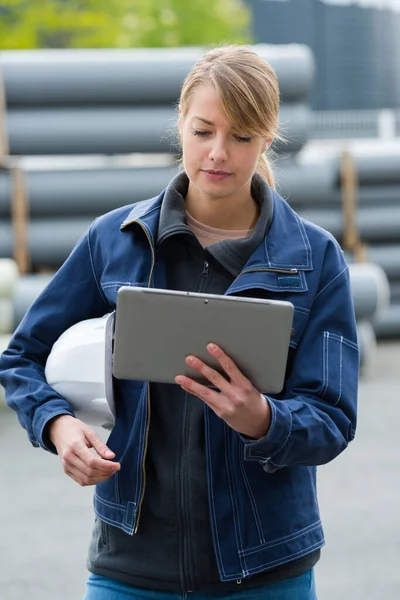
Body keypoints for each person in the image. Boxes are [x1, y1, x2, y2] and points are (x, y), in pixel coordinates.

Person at [0, 45, 359, 600]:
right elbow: (21, 357)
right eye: (203, 131)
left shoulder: (317, 258)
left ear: (268, 137)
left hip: (265, 571)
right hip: (130, 568)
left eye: (241, 136)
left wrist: (264, 419)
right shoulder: (113, 240)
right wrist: (58, 425)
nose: (218, 153)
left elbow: (333, 418)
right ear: (180, 126)